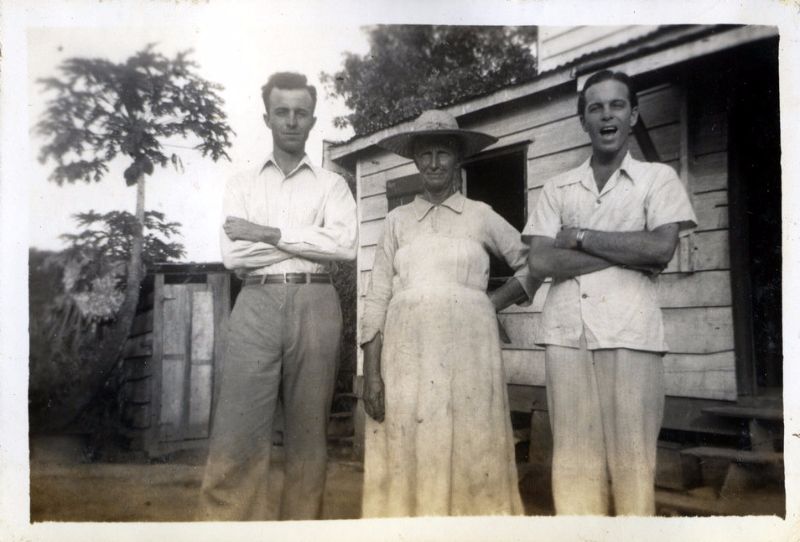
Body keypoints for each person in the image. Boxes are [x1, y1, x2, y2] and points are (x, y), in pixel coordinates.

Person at [524, 70, 697, 516]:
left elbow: (660, 249)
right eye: (595, 107)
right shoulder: (558, 187)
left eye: (617, 105)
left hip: (631, 334)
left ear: (633, 115)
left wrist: (580, 237)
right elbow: (540, 262)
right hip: (567, 336)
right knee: (574, 464)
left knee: (633, 464)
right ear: (583, 120)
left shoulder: (657, 179)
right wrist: (627, 250)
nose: (606, 115)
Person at [360, 110, 541, 517]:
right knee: (412, 440)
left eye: (443, 153)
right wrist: (371, 374)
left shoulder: (480, 214)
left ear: (458, 157)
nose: (434, 163)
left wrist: (490, 303)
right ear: (415, 160)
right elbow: (376, 298)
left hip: (469, 355)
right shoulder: (396, 221)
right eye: (425, 154)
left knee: (471, 443)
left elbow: (534, 263)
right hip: (408, 357)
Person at [198, 72, 357, 521]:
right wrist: (307, 240)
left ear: (313, 120)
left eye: (300, 113)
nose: (291, 121)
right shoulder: (242, 183)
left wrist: (266, 233)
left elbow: (344, 246)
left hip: (316, 303)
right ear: (267, 118)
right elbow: (234, 254)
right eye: (281, 112)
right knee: (236, 433)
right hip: (256, 302)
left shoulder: (332, 185)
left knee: (309, 438)